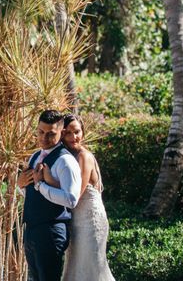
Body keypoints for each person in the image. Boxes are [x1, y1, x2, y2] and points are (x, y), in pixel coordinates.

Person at [41, 114, 115, 281]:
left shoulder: (83, 156)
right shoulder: (64, 157)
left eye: (77, 132)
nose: (74, 137)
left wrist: (47, 180)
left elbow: (75, 194)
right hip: (73, 220)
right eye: (68, 133)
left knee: (93, 267)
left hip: (90, 220)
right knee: (75, 267)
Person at [17, 110, 81, 281]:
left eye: (50, 134)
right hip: (32, 229)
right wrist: (21, 184)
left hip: (52, 231)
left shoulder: (65, 161)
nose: (44, 138)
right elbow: (28, 192)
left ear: (61, 133)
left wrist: (40, 185)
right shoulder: (35, 156)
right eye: (41, 132)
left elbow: (71, 199)